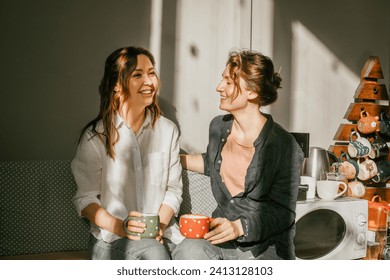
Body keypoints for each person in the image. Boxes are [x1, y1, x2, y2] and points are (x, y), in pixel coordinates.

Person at [173, 50, 304, 260]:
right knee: (188, 252)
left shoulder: (284, 146)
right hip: (219, 234)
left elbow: (283, 212)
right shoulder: (219, 126)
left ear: (251, 91)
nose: (219, 87)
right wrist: (170, 160)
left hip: (264, 245)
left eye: (228, 81)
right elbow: (212, 162)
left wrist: (239, 227)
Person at [71, 46, 183, 260]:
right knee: (153, 254)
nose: (149, 82)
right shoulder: (95, 137)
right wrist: (122, 228)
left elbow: (173, 190)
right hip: (112, 238)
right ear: (116, 85)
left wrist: (157, 227)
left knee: (198, 253)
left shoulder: (168, 130)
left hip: (164, 232)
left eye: (151, 73)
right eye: (138, 75)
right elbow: (85, 200)